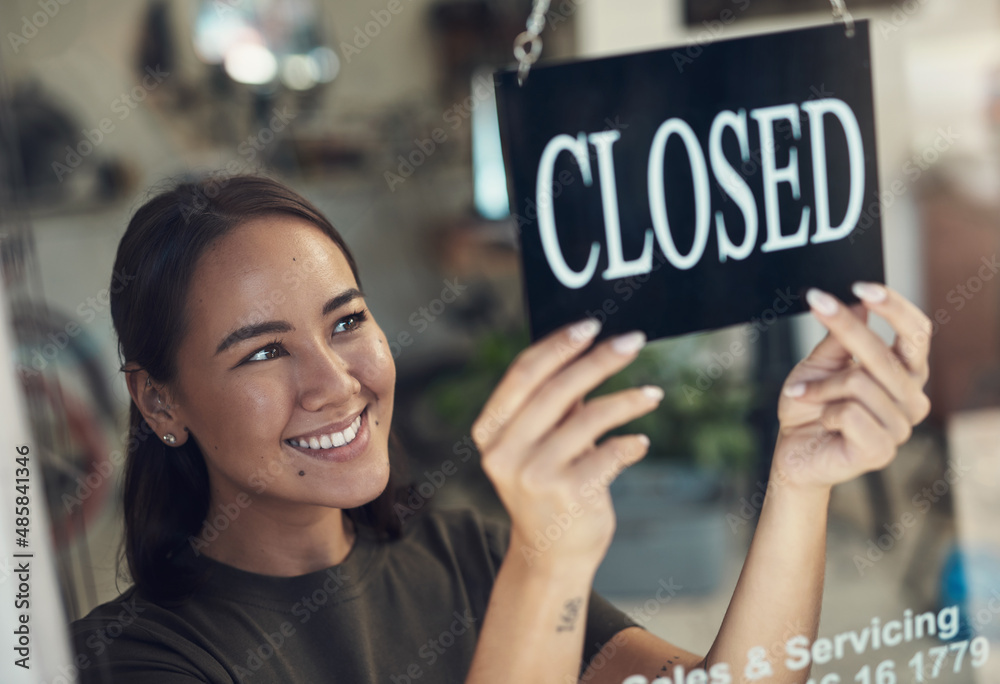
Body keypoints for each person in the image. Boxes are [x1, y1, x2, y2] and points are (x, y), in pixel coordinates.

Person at [69, 173, 932, 684]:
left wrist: (802, 479)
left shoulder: (462, 557)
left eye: (346, 323)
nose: (336, 383)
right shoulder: (130, 661)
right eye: (261, 354)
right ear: (159, 402)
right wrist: (547, 562)